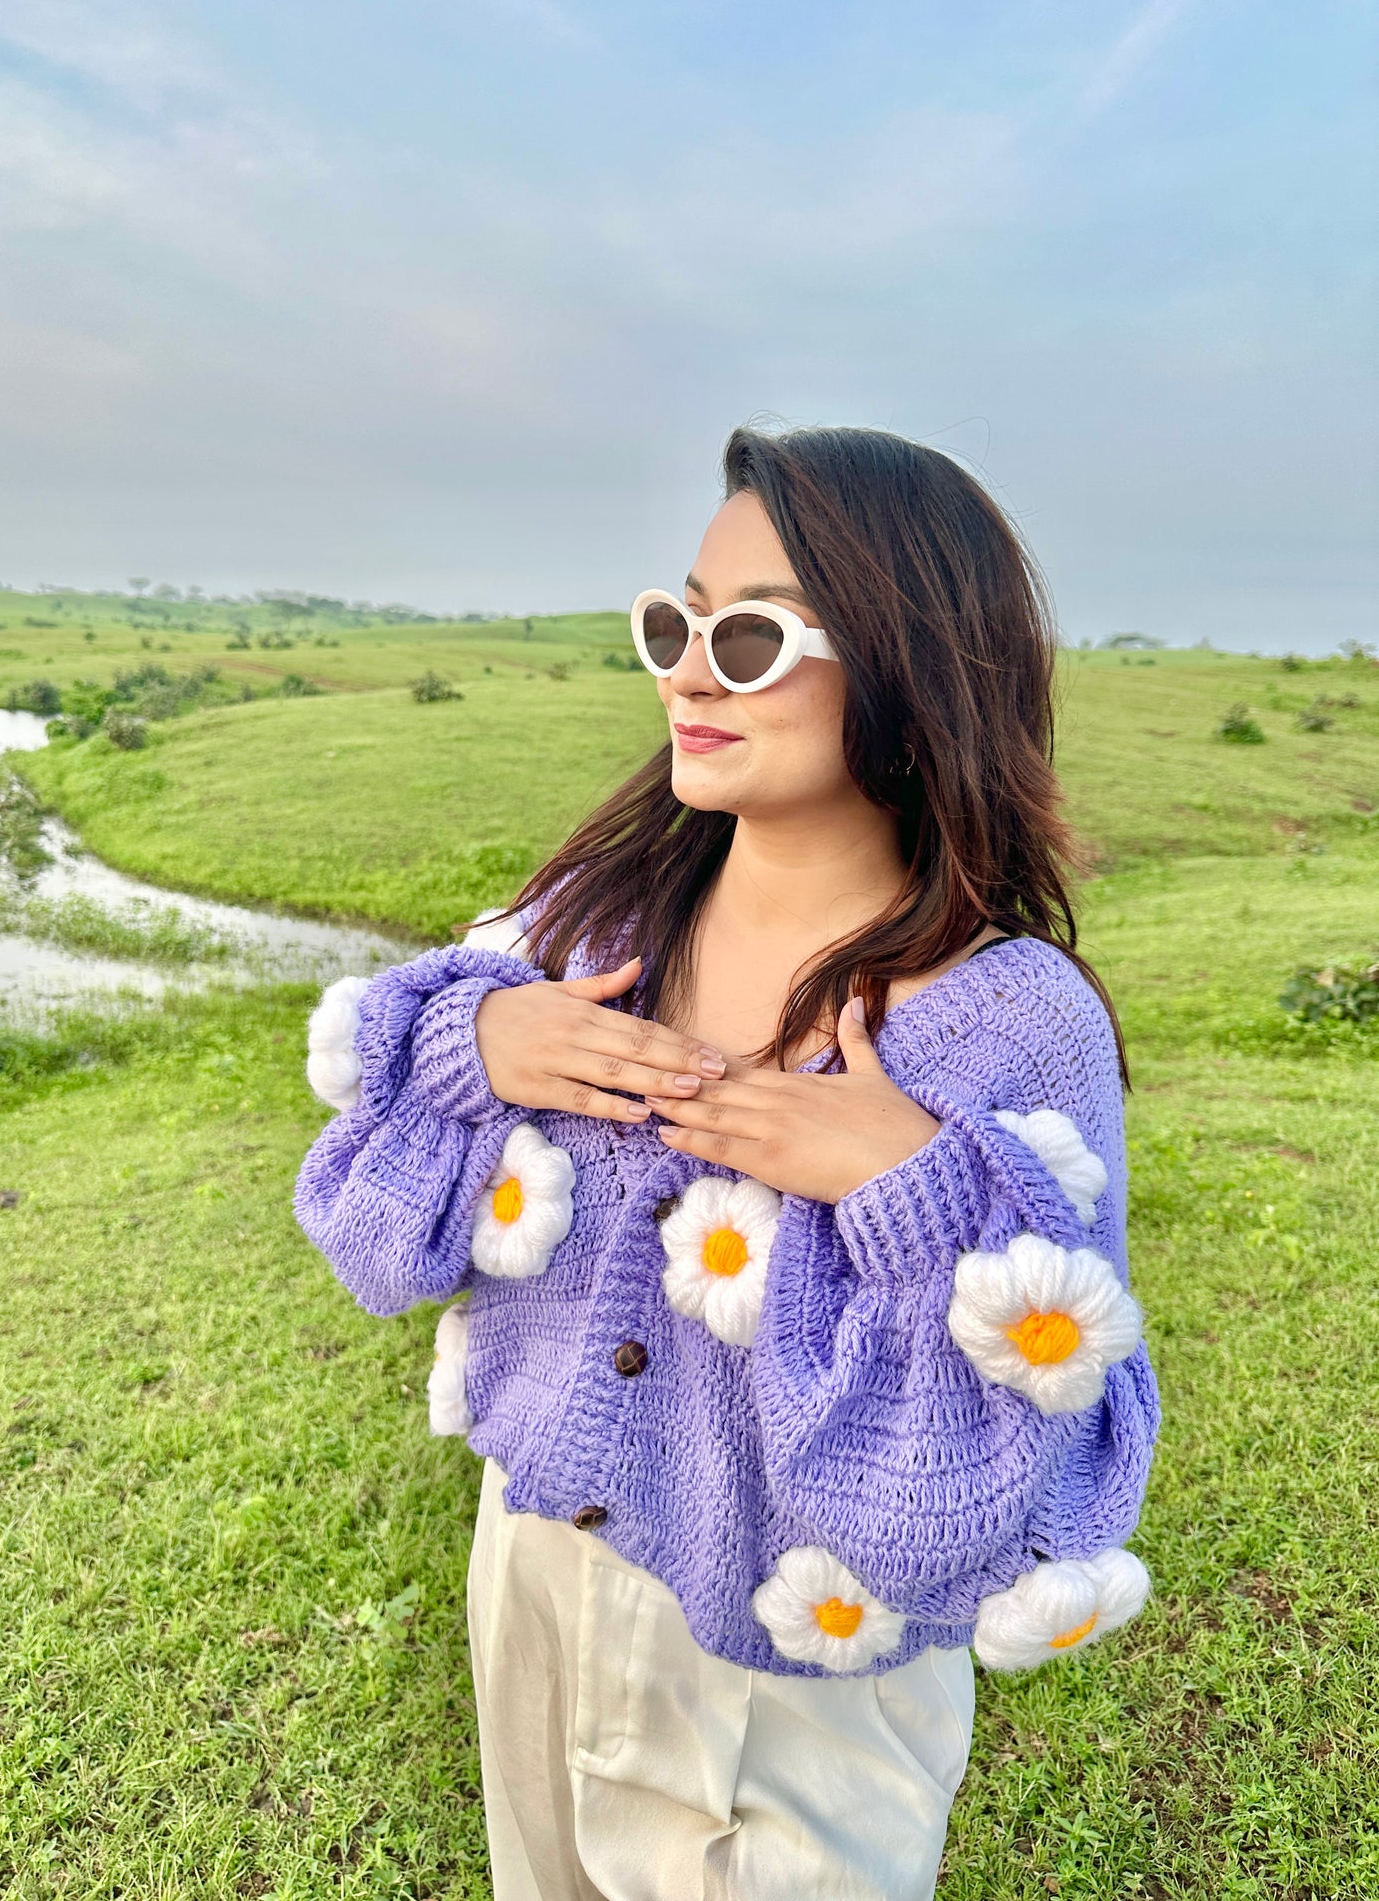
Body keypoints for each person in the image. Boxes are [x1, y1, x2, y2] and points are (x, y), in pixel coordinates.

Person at [294, 424, 1160, 1900]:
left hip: (803, 1663)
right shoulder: (582, 924)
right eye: (672, 620)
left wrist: (909, 1190)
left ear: (905, 664)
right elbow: (368, 1231)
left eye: (748, 635)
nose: (686, 672)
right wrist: (472, 1046)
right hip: (537, 1572)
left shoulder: (1010, 1020)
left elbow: (1037, 1473)